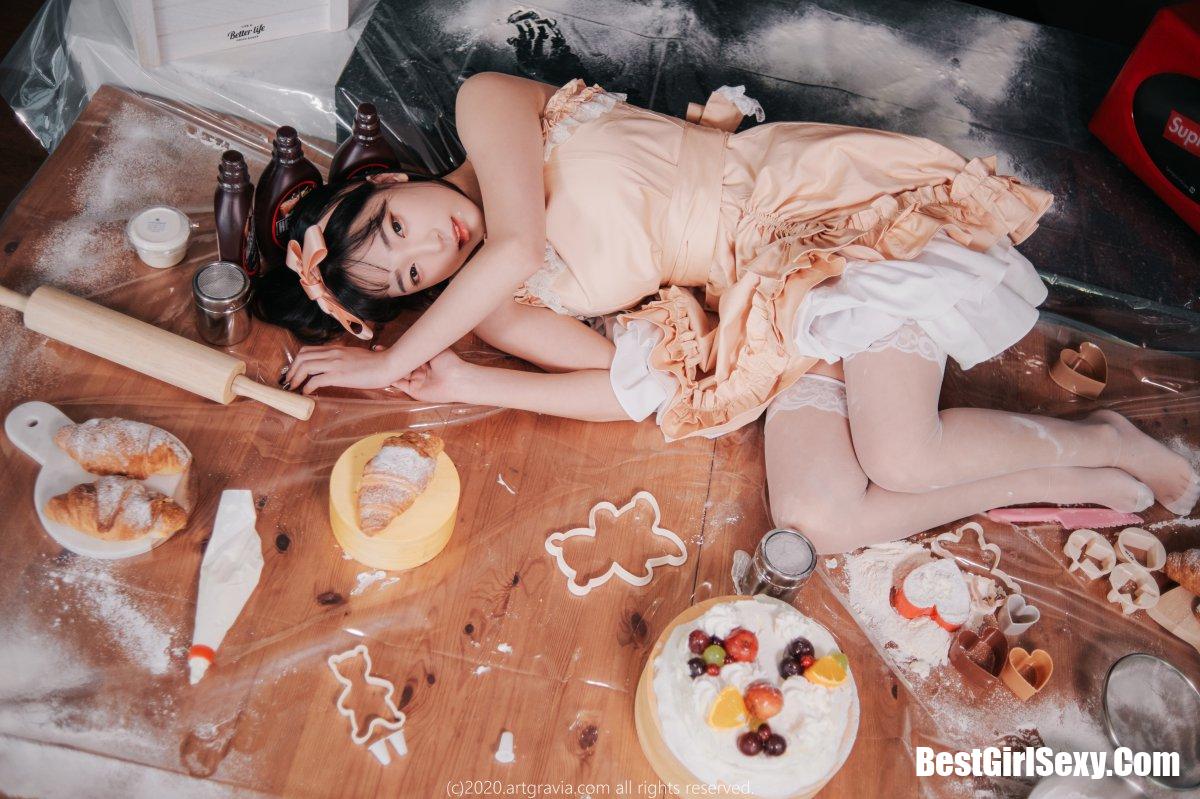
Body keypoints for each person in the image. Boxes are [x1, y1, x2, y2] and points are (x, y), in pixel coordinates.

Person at [260, 72, 1199, 552]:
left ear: (385, 180)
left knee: (901, 457)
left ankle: (1111, 441)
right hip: (765, 309)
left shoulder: (487, 108)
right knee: (818, 517)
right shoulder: (501, 309)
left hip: (818, 212)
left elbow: (511, 238)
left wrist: (388, 361)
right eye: (407, 277)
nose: (432, 250)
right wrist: (465, 374)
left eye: (396, 225)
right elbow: (634, 386)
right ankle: (1061, 471)